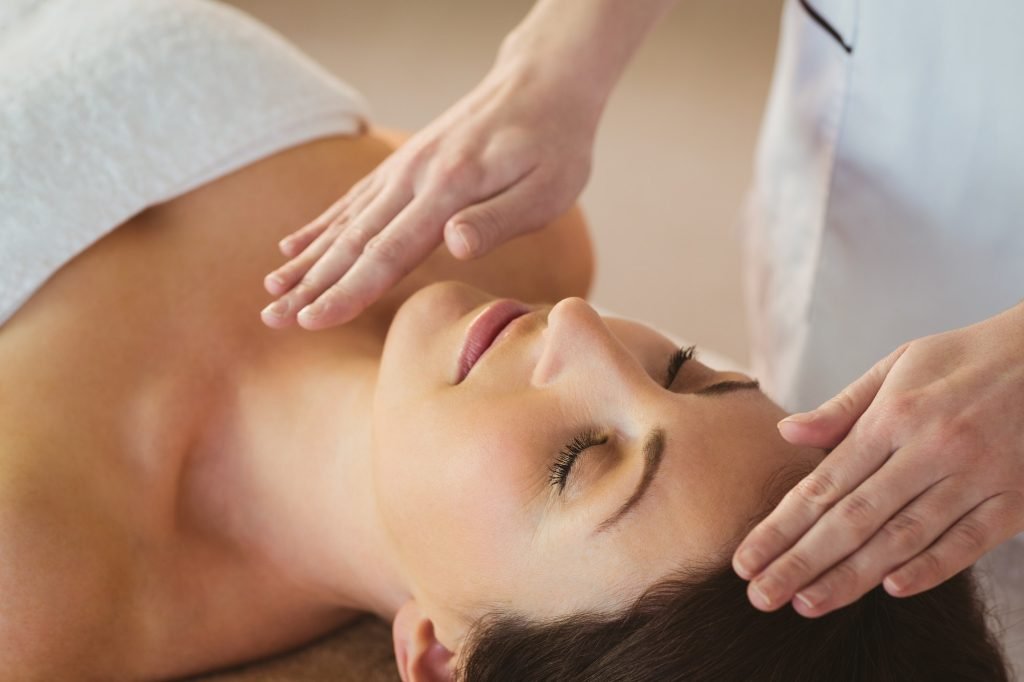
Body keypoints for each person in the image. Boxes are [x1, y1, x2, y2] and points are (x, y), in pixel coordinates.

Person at [0, 1, 1013, 680]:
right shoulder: (513, 235)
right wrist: (556, 48)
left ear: (441, 656)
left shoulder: (34, 590)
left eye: (585, 458)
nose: (580, 328)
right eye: (688, 368)